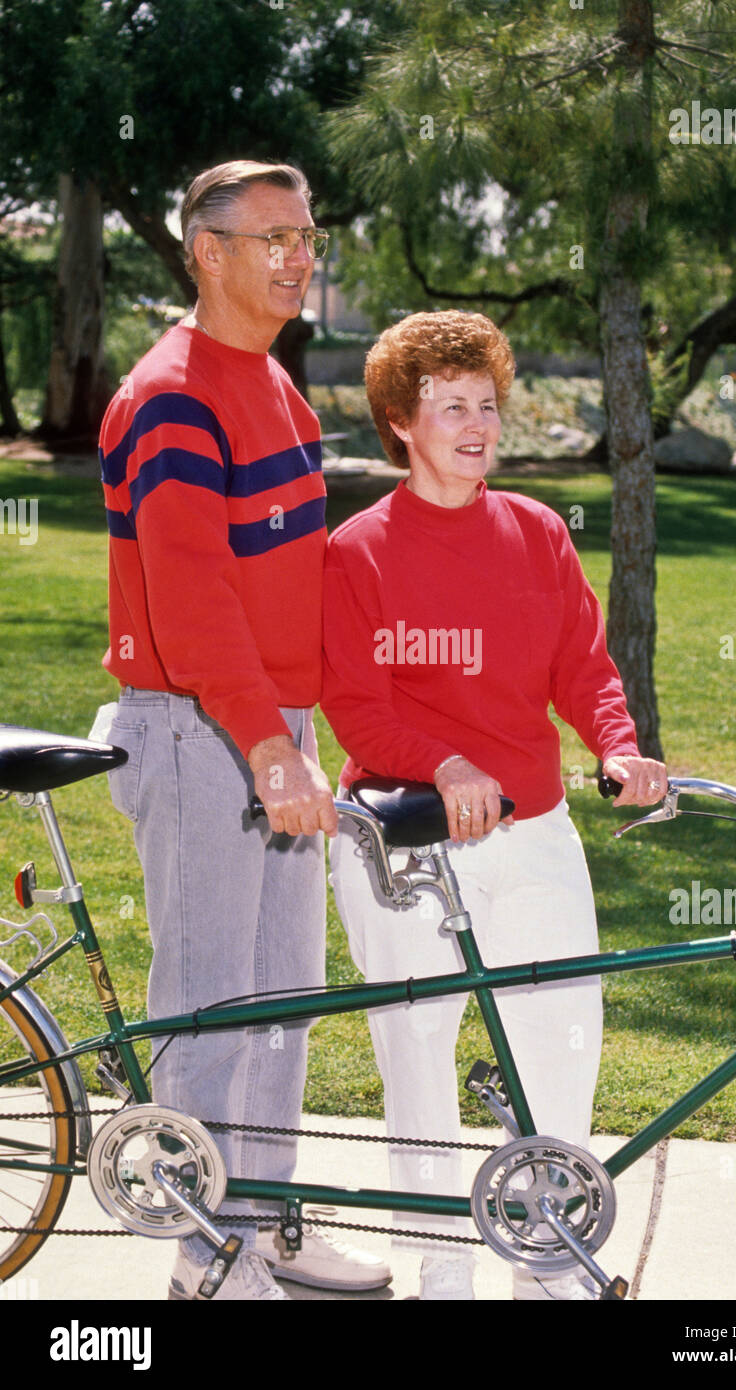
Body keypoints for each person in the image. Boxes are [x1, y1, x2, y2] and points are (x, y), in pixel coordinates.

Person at [322, 310, 666, 1301]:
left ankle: (547, 1253)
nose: (476, 425)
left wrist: (616, 744)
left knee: (556, 1046)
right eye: (450, 406)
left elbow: (581, 669)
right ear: (399, 422)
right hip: (404, 845)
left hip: (534, 833)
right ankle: (440, 1270)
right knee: (420, 1060)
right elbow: (357, 709)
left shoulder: (535, 529)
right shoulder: (358, 550)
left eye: (487, 404)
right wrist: (444, 765)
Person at [98, 159, 390, 1300]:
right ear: (203, 251)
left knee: (282, 1000)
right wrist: (269, 750)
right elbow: (192, 599)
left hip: (276, 729)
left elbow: (292, 590)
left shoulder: (278, 389)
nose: (297, 254)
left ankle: (264, 1225)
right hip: (197, 730)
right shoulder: (171, 394)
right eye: (270, 235)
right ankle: (201, 1257)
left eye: (306, 233)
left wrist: (317, 728)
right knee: (210, 1001)